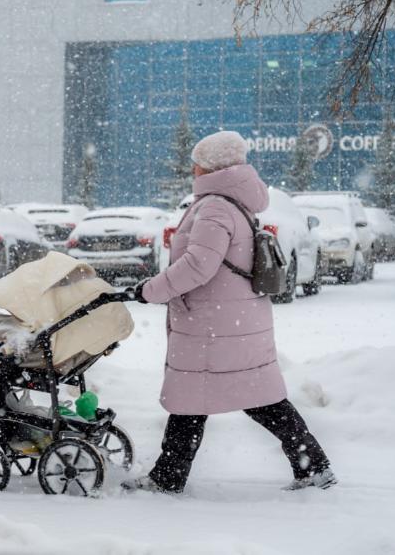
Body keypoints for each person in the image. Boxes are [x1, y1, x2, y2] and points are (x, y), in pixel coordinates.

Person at [123, 131, 336, 493]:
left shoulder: (216, 206)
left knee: (202, 398)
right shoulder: (231, 202)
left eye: (197, 161)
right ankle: (311, 464)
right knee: (247, 397)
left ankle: (169, 477)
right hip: (229, 320)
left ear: (208, 166)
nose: (192, 167)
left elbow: (197, 267)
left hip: (214, 324)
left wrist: (149, 290)